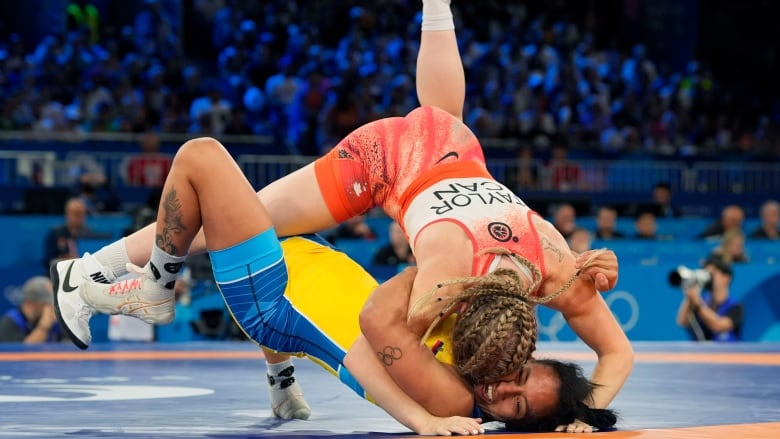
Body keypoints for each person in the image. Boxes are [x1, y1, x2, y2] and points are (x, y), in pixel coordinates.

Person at [53, 0, 630, 432]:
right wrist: (585, 416)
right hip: (428, 160)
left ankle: (120, 277)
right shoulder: (547, 276)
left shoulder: (473, 296)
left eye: (515, 398)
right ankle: (266, 374)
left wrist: (424, 421)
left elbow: (375, 333)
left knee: (219, 190)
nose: (505, 379)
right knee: (255, 223)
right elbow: (615, 353)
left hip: (391, 166)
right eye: (523, 369)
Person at [675, 258, 743, 342]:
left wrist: (699, 304)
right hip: (699, 353)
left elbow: (718, 326)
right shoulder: (701, 300)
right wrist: (690, 296)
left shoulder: (735, 306)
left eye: (712, 274)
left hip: (726, 353)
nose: (709, 278)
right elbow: (682, 321)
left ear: (726, 278)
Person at [41, 197, 109, 271]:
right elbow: (48, 261)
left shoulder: (89, 235)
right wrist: (66, 260)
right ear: (67, 214)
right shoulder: (55, 234)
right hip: (61, 273)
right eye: (76, 214)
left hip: (85, 273)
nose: (79, 217)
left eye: (82, 214)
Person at [0, 276, 62, 343]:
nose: (51, 309)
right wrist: (45, 325)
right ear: (30, 304)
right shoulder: (10, 322)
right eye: (45, 305)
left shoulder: (56, 321)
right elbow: (21, 351)